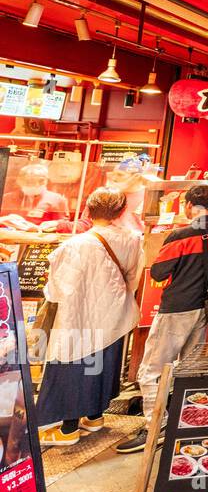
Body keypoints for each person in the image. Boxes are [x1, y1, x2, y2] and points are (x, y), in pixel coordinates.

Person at [117, 184, 208, 454]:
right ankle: (187, 419)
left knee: (151, 370)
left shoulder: (180, 235)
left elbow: (158, 273)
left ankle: (155, 425)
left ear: (189, 206)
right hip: (204, 307)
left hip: (176, 307)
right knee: (190, 367)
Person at [37, 189, 141, 448]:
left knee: (72, 368)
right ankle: (94, 418)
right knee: (103, 365)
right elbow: (133, 278)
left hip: (78, 316)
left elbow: (57, 288)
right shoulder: (132, 238)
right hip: (114, 313)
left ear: (88, 211)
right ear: (120, 212)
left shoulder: (75, 244)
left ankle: (68, 429)